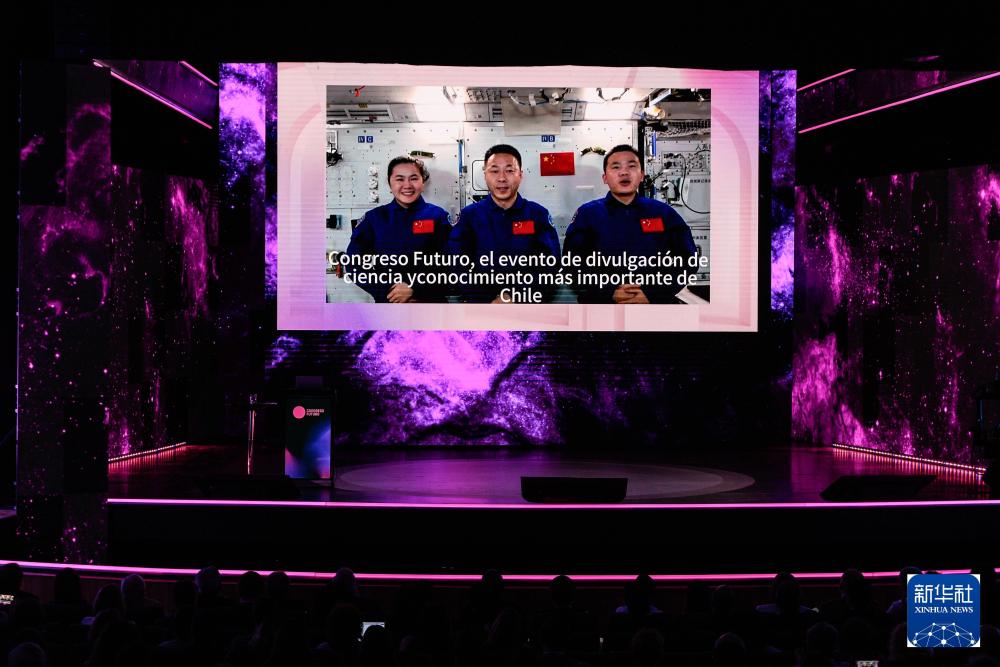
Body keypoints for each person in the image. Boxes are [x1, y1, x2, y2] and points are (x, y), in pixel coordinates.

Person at [563, 144, 697, 303]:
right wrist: (609, 291)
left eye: (631, 166)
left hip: (654, 307)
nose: (624, 172)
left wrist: (651, 294)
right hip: (602, 307)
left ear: (642, 175)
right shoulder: (587, 215)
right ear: (605, 178)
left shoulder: (664, 214)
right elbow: (571, 265)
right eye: (616, 167)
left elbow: (688, 260)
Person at [448, 144, 560, 303]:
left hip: (527, 306)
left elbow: (550, 265)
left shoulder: (538, 215)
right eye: (494, 171)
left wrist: (515, 296)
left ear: (520, 175)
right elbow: (457, 263)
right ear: (485, 175)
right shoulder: (469, 216)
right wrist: (487, 299)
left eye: (509, 170)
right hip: (481, 308)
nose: (502, 178)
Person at [344, 156, 452, 302]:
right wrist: (389, 291)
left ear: (423, 182)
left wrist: (416, 289)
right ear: (390, 183)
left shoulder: (438, 217)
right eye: (400, 179)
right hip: (389, 305)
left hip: (430, 303)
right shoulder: (374, 219)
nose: (407, 185)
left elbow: (453, 262)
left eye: (414, 178)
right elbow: (353, 263)